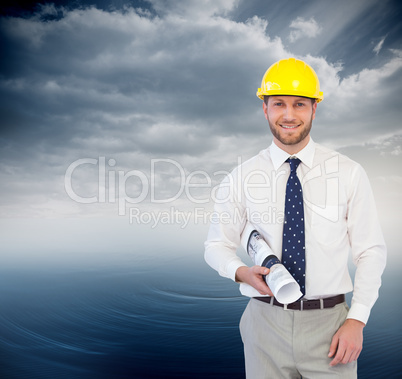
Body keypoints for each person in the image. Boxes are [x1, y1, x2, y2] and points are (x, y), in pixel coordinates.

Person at [204, 57, 386, 378]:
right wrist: (241, 272)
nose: (289, 115)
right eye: (279, 104)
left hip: (331, 327)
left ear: (315, 108)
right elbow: (216, 245)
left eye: (300, 104)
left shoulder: (348, 173)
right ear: (265, 108)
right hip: (264, 324)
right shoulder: (241, 177)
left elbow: (370, 251)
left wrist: (357, 320)